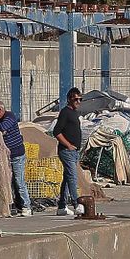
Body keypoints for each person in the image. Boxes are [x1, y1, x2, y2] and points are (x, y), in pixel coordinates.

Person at [0, 100, 31, 216]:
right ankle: (14, 205)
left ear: (0, 110)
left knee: (19, 181)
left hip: (17, 155)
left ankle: (26, 206)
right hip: (5, 157)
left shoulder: (9, 116)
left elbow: (2, 127)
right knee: (7, 181)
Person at [52, 87, 84, 216]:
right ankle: (77, 204)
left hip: (74, 152)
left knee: (67, 178)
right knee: (72, 177)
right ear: (69, 99)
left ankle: (62, 206)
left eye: (80, 99)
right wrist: (68, 145)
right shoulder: (65, 112)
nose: (78, 102)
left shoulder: (74, 113)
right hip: (66, 151)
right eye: (76, 99)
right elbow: (56, 131)